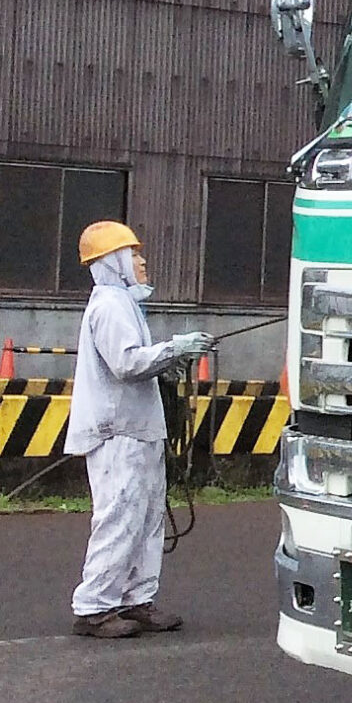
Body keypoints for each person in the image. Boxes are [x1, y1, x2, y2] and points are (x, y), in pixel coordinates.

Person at [65, 222, 210, 640]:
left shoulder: (124, 304)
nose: (142, 261)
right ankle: (94, 608)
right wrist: (175, 349)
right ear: (114, 262)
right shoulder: (110, 305)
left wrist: (170, 358)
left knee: (146, 516)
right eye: (134, 254)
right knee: (120, 516)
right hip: (117, 432)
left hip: (139, 428)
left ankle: (135, 600)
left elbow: (137, 363)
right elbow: (126, 363)